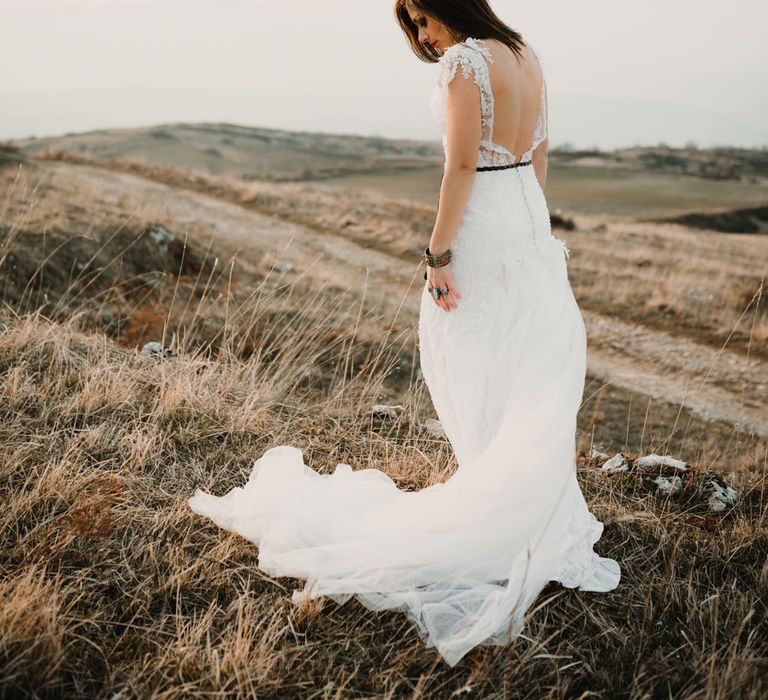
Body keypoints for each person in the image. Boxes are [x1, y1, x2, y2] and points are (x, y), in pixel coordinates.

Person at [188, 0, 621, 667]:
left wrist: (439, 252)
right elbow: (538, 153)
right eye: (413, 25)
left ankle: (492, 498)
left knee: (468, 354)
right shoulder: (526, 55)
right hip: (529, 225)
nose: (423, 34)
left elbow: (460, 168)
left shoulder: (462, 63)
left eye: (424, 18)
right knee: (527, 359)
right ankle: (518, 496)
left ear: (452, 6)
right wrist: (532, 228)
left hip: (483, 225)